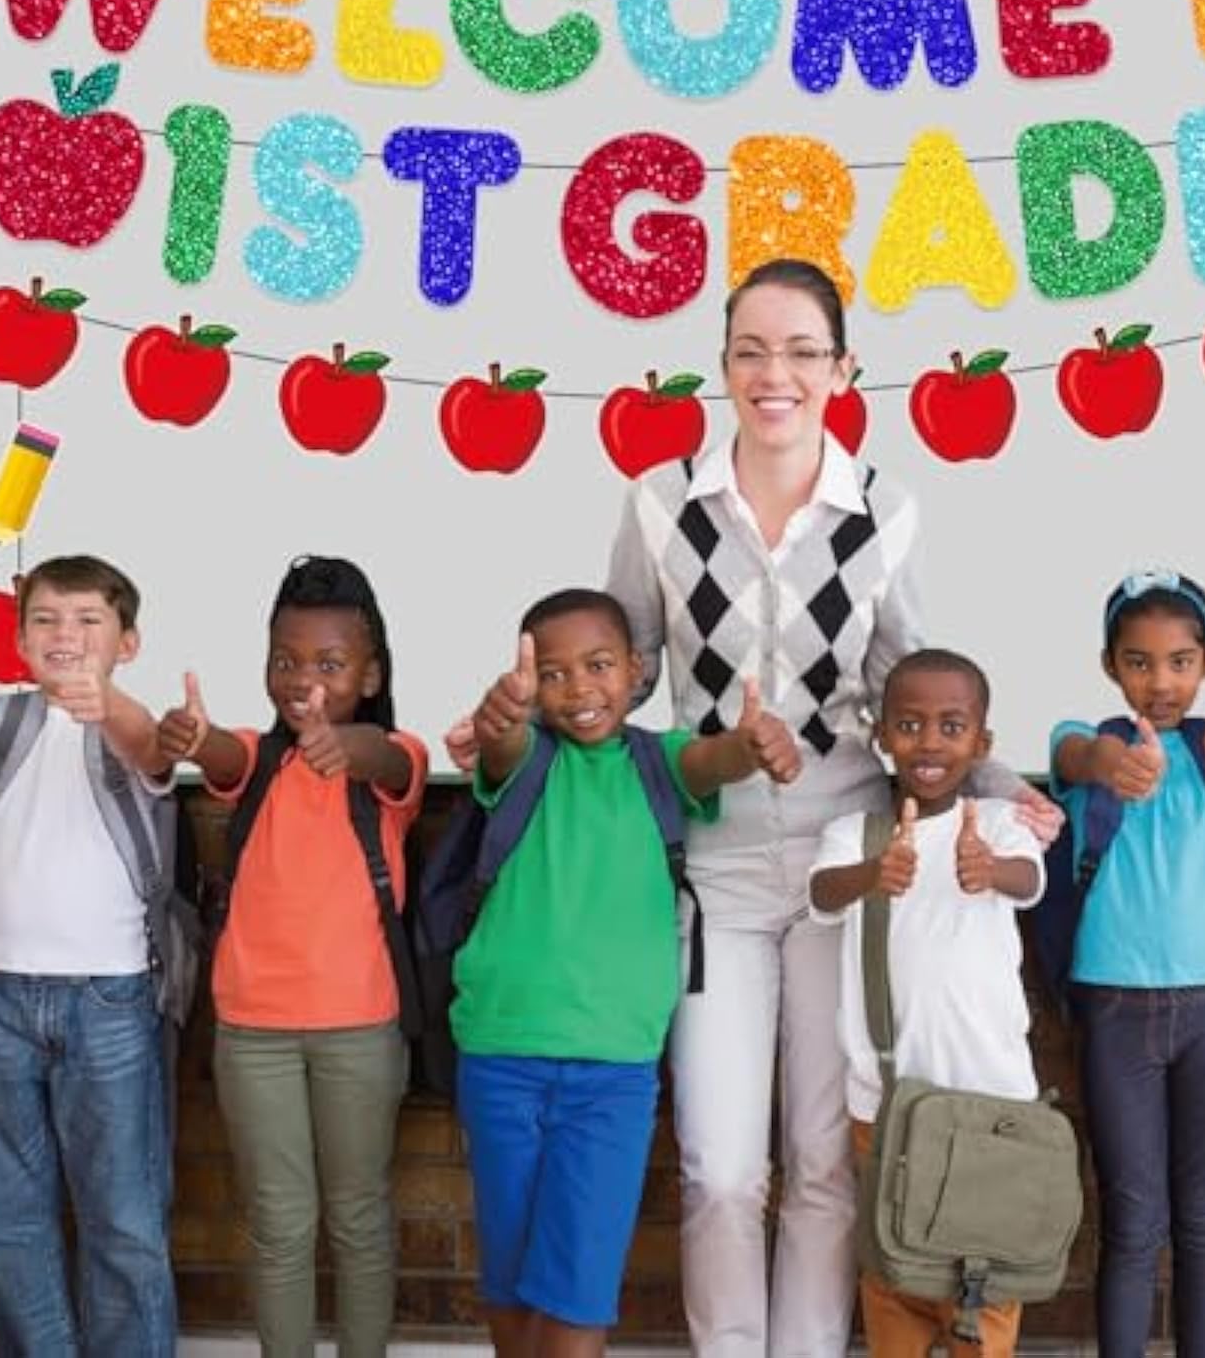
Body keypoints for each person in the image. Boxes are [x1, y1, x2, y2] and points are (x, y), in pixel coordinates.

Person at [606, 258, 1056, 1356]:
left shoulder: (884, 513)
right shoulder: (662, 504)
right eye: (753, 351)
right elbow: (612, 685)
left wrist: (1014, 787)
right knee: (719, 1166)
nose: (777, 374)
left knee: (820, 1162)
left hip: (849, 878)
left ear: (843, 368)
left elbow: (919, 685)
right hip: (715, 876)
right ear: (721, 367)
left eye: (803, 352)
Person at [444, 587, 801, 1358]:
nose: (579, 690)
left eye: (598, 666)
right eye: (555, 674)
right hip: (501, 1057)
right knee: (508, 1277)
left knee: (578, 1289)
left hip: (614, 1074)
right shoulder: (524, 760)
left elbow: (711, 760)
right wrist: (499, 714)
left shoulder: (656, 763)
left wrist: (752, 744)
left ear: (636, 671)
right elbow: (499, 745)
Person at [157, 555, 427, 1358]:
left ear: (370, 673)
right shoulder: (259, 760)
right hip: (252, 1033)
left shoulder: (388, 756)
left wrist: (346, 743)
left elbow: (390, 760)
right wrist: (198, 739)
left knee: (359, 1218)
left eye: (330, 663)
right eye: (286, 659)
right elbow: (224, 760)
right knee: (279, 1223)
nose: (302, 678)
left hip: (361, 1028)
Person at [1049, 570, 1205, 1357]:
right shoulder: (1089, 737)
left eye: (1180, 660)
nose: (1160, 679)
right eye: (1138, 661)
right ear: (1110, 664)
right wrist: (1111, 764)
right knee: (1133, 1217)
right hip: (1116, 1004)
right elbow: (1077, 753)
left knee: (1204, 1215)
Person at [809, 648, 1043, 1358]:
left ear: (983, 742)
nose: (930, 743)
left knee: (983, 1279)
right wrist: (872, 875)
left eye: (951, 726)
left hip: (991, 1101)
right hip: (885, 1103)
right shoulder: (857, 834)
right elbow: (821, 894)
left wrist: (989, 867)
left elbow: (1028, 879)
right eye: (909, 725)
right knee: (895, 1275)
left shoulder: (1000, 822)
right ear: (881, 735)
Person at [0, 554, 177, 1356]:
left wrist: (107, 707)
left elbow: (152, 749)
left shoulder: (135, 725)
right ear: (19, 640)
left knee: (123, 1217)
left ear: (127, 641)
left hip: (109, 1001)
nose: (67, 635)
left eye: (90, 620)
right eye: (48, 619)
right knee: (5, 1219)